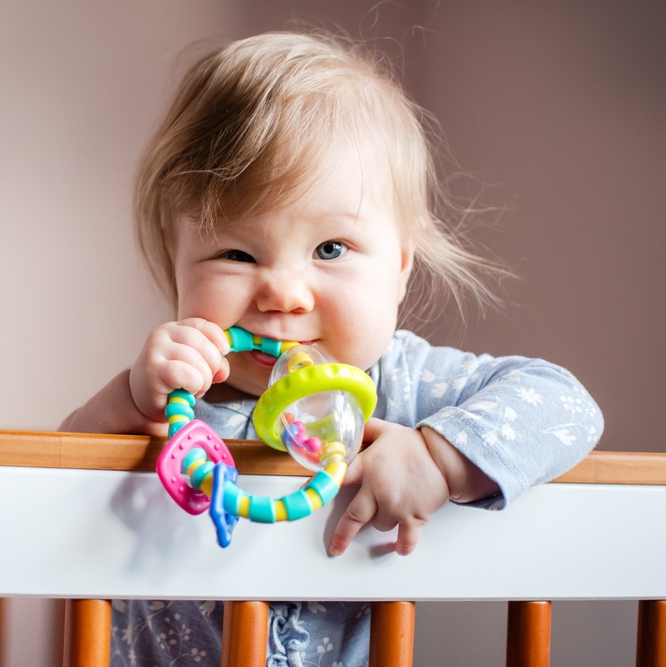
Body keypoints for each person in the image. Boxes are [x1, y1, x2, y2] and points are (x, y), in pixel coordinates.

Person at [60, 31, 603, 667]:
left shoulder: (405, 384)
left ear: (400, 267)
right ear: (175, 262)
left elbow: (567, 406)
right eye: (237, 253)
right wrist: (125, 401)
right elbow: (50, 487)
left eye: (330, 249)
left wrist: (437, 455)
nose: (285, 294)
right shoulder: (173, 393)